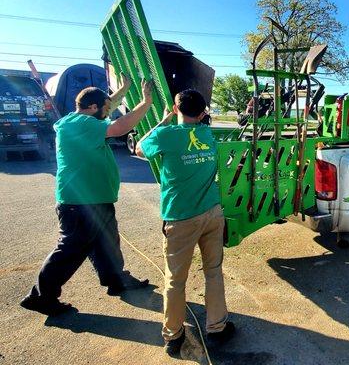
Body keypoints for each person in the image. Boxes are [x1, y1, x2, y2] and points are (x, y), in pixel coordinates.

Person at [20, 76, 152, 316]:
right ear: (92, 108)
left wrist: (122, 89)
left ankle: (116, 280)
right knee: (70, 250)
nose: (108, 111)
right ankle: (41, 297)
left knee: (107, 243)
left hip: (94, 199)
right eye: (105, 108)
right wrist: (146, 102)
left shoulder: (76, 119)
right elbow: (120, 127)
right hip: (81, 203)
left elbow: (105, 104)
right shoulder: (84, 124)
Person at [136, 89, 234, 357]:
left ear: (175, 108)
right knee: (213, 271)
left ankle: (173, 335)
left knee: (175, 279)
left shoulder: (164, 135)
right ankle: (216, 327)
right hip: (212, 213)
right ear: (203, 113)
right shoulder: (208, 135)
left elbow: (139, 148)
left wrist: (164, 120)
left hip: (180, 219)